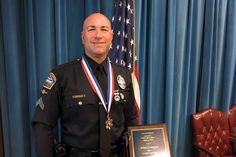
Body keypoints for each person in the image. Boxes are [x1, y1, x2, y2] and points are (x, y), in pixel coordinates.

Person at [31, 12, 138, 157]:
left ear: (111, 37)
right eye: (91, 29)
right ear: (83, 37)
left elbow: (132, 121)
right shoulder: (61, 75)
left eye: (104, 29)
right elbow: (42, 125)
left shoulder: (124, 75)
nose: (98, 35)